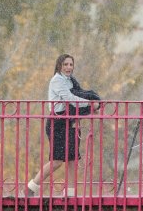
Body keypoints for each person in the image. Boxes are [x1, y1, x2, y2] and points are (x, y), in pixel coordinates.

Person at [26, 54, 99, 197]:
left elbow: (79, 94)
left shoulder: (71, 81)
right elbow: (70, 98)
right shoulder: (57, 81)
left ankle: (70, 195)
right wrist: (91, 105)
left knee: (72, 159)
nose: (69, 67)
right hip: (57, 122)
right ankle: (31, 188)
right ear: (59, 65)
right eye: (65, 64)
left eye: (71, 64)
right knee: (57, 160)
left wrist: (91, 105)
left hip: (70, 121)